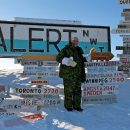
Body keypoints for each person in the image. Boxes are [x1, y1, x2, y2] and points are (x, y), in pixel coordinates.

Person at [56, 37, 87, 112]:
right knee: (69, 91)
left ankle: (77, 106)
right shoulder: (66, 49)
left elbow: (81, 60)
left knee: (78, 91)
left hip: (78, 74)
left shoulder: (79, 50)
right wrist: (68, 62)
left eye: (77, 41)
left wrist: (87, 58)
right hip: (69, 75)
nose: (76, 42)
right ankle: (68, 106)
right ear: (71, 41)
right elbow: (58, 58)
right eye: (74, 41)